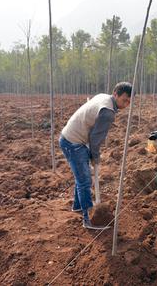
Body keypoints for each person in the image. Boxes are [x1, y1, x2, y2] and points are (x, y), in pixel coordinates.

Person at [59, 82, 132, 229]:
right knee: (85, 180)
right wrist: (95, 157)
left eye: (129, 101)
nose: (127, 104)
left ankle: (78, 206)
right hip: (73, 142)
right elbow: (95, 138)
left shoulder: (104, 97)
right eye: (124, 100)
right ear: (115, 94)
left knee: (81, 177)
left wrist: (93, 154)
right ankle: (89, 220)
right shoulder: (108, 112)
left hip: (71, 137)